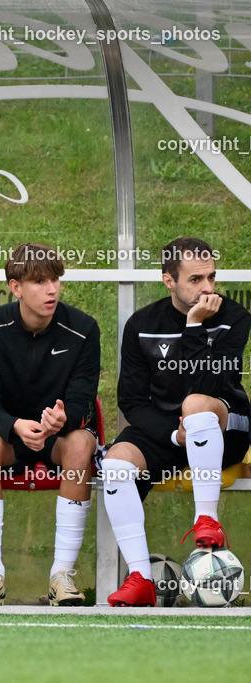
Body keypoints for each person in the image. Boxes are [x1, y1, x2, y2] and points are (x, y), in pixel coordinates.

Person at [105, 237, 250, 607]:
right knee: (116, 465)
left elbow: (211, 385)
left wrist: (194, 325)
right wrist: (173, 434)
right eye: (196, 279)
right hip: (171, 433)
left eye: (211, 277)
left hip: (224, 426)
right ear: (169, 280)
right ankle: (140, 578)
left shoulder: (234, 316)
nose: (208, 288)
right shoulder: (142, 324)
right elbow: (132, 402)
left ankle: (207, 521)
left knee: (196, 403)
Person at [0, 243, 100, 607]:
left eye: (55, 279)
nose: (52, 289)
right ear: (16, 287)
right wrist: (15, 425)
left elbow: (83, 403)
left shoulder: (84, 328)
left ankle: (62, 576)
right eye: (40, 282)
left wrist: (63, 419)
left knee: (81, 443)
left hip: (59, 438)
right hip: (11, 439)